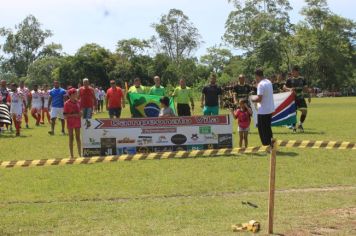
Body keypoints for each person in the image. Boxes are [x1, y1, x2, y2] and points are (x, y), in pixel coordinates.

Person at [251, 68, 275, 147]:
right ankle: (271, 144)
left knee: (262, 129)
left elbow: (259, 98)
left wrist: (252, 99)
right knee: (268, 128)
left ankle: (266, 145)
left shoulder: (261, 84)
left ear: (257, 76)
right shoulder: (268, 82)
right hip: (270, 109)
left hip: (263, 110)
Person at [283, 66, 310, 132]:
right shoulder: (289, 80)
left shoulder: (302, 79)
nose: (292, 73)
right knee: (294, 113)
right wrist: (289, 89)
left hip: (300, 97)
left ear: (297, 71)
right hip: (292, 98)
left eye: (293, 71)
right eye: (292, 71)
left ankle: (300, 124)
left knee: (304, 111)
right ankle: (294, 127)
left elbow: (306, 88)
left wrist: (309, 95)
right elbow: (284, 87)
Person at [63, 88, 81, 158]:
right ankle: (71, 155)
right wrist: (74, 115)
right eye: (75, 94)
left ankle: (80, 154)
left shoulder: (78, 102)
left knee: (78, 137)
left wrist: (80, 114)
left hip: (77, 122)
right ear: (70, 95)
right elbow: (65, 116)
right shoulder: (66, 104)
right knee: (71, 138)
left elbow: (80, 111)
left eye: (76, 93)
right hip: (70, 122)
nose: (76, 95)